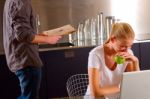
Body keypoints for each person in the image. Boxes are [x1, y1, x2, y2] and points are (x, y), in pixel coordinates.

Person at [3, 0, 62, 99]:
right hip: (26, 60)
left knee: (26, 95)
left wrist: (39, 36)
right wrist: (48, 39)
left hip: (23, 59)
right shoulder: (20, 1)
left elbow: (20, 32)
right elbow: (22, 34)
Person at [85, 22, 140, 99]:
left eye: (130, 46)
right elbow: (95, 92)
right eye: (123, 46)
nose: (127, 50)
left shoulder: (128, 53)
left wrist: (135, 61)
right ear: (112, 39)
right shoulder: (95, 54)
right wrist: (121, 87)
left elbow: (135, 85)